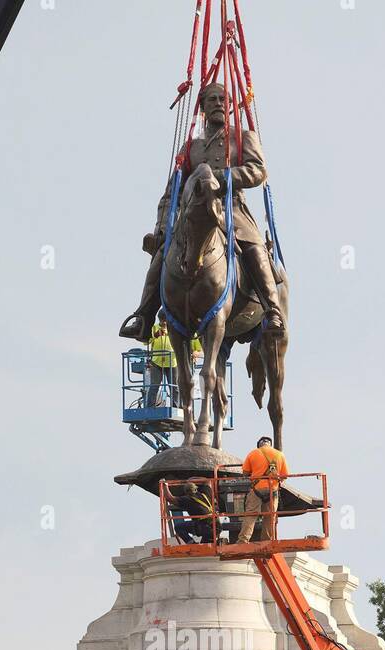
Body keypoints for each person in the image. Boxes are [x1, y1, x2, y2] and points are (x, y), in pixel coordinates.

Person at [120, 83, 286, 341]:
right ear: (203, 106)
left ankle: (272, 309)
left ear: (230, 107)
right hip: (194, 214)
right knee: (164, 253)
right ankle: (143, 316)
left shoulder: (242, 138)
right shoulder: (191, 148)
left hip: (232, 210)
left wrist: (219, 177)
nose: (218, 103)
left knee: (254, 248)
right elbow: (170, 193)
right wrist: (163, 227)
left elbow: (258, 170)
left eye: (223, 99)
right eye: (212, 100)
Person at [238, 436, 288, 542]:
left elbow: (245, 473)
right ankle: (267, 541)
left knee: (251, 515)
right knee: (270, 517)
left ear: (259, 444)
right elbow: (284, 476)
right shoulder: (280, 454)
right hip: (272, 490)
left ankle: (243, 540)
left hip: (257, 489)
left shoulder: (253, 453)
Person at [147, 313, 175, 408]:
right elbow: (145, 341)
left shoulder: (175, 328)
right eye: (162, 321)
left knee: (174, 387)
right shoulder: (154, 328)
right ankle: (150, 407)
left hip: (172, 362)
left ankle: (176, 407)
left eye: (166, 321)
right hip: (157, 362)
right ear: (159, 320)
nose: (164, 323)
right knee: (154, 386)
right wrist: (155, 335)